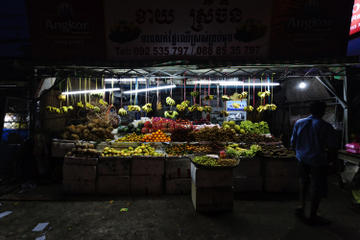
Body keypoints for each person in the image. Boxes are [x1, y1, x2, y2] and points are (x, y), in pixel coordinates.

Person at [291, 101, 338, 225]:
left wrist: (299, 152)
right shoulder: (326, 126)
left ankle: (301, 207)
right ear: (323, 111)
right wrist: (332, 161)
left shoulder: (299, 123)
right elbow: (332, 146)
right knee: (317, 187)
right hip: (318, 160)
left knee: (303, 183)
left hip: (302, 158)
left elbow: (293, 142)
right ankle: (313, 213)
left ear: (310, 110)